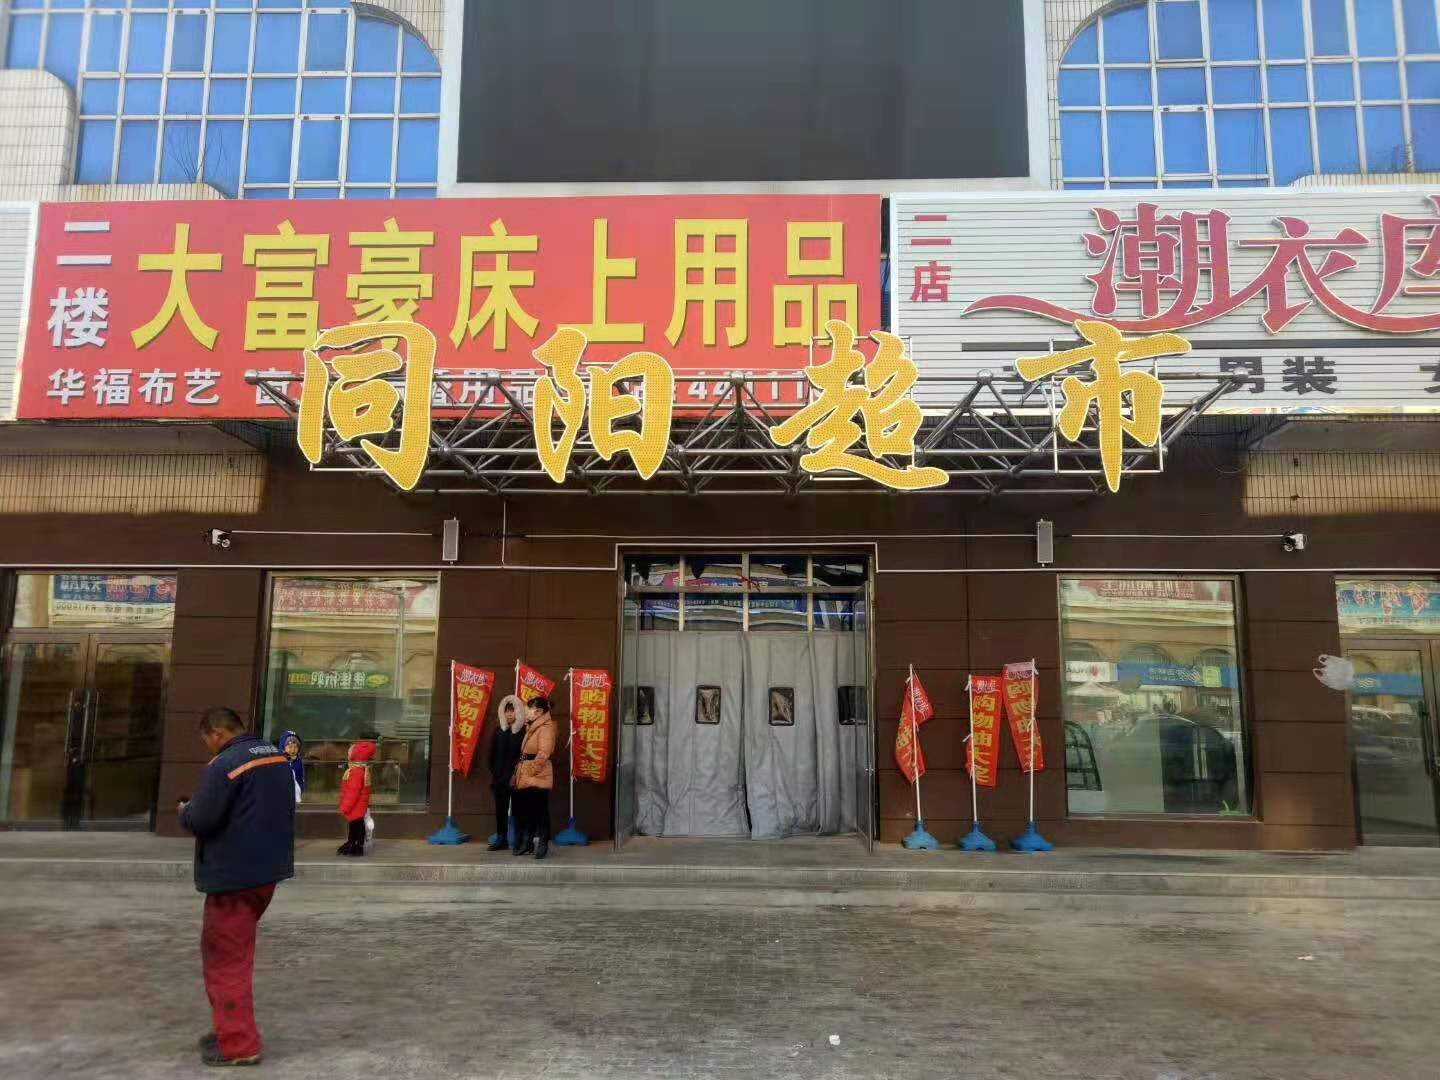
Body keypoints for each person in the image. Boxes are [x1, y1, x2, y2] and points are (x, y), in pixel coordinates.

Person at [177, 706, 295, 1068]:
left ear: (217, 733)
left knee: (226, 960)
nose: (209, 747)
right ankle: (229, 1032)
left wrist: (184, 811)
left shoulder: (226, 764)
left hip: (233, 877)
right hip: (266, 874)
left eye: (207, 740)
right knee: (235, 953)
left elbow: (202, 818)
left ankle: (238, 1044)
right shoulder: (276, 756)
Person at [512, 696, 557, 860]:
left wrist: (530, 771)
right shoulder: (533, 727)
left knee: (540, 810)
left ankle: (543, 843)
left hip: (537, 775)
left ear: (539, 711)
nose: (527, 711)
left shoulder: (545, 728)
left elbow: (544, 753)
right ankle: (528, 842)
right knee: (528, 810)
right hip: (527, 773)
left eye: (529, 709)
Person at [488, 695, 526, 852]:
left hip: (516, 778)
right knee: (500, 810)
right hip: (499, 779)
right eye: (507, 711)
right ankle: (501, 839)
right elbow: (491, 755)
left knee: (518, 811)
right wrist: (495, 772)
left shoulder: (523, 731)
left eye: (512, 711)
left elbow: (524, 755)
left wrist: (517, 773)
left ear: (518, 712)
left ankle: (518, 841)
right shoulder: (498, 731)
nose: (509, 714)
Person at [336, 739, 377, 856]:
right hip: (359, 805)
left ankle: (357, 846)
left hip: (355, 806)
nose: (348, 756)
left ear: (354, 756)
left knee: (357, 825)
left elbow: (352, 792)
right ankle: (353, 843)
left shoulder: (356, 772)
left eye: (349, 754)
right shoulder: (361, 770)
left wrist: (345, 807)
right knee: (356, 825)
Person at [278, 729, 304, 805]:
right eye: (290, 747)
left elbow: (300, 777)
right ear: (283, 747)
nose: (293, 750)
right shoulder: (279, 760)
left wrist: (301, 788)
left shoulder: (298, 761)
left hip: (295, 796)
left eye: (295, 747)